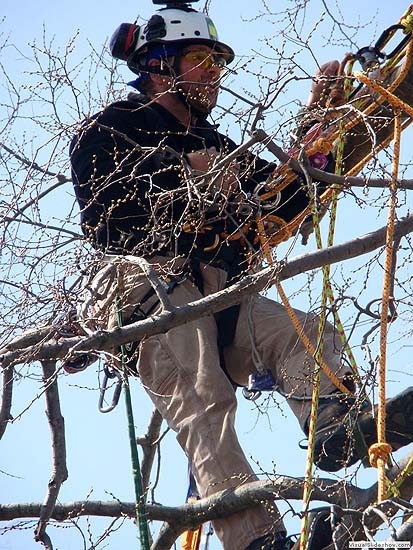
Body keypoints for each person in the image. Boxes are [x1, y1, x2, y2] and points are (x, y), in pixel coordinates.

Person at [69, 2, 413, 549]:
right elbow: (106, 209)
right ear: (159, 63)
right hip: (151, 289)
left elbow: (289, 192)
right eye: (201, 57)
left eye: (218, 60)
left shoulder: (221, 146)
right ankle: (255, 539)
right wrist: (185, 177)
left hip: (220, 291)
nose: (214, 71)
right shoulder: (112, 129)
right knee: (205, 399)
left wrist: (319, 122)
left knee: (304, 333)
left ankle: (334, 428)